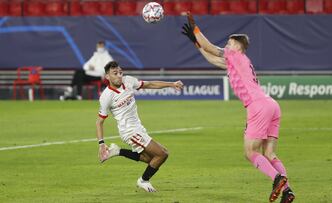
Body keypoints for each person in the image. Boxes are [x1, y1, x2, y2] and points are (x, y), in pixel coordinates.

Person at [181, 13, 295, 203]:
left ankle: (277, 179)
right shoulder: (239, 61)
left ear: (238, 46)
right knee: (269, 153)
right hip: (272, 105)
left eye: (229, 42)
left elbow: (212, 48)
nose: (226, 45)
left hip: (257, 107)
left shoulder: (235, 55)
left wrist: (196, 29)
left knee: (250, 152)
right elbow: (213, 59)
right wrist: (196, 42)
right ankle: (288, 191)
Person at [96, 61, 184, 192]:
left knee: (150, 159)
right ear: (107, 76)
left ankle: (118, 151)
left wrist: (172, 84)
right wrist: (101, 143)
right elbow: (99, 121)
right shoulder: (106, 96)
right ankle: (143, 180)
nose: (119, 75)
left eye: (120, 72)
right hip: (129, 131)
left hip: (138, 127)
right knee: (162, 154)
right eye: (115, 73)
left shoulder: (128, 81)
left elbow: (149, 84)